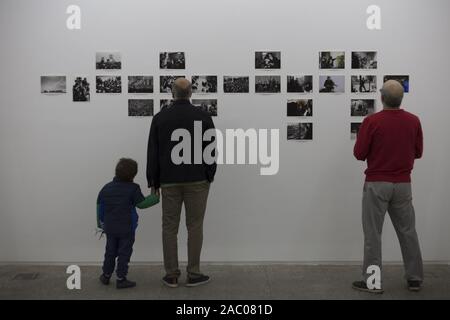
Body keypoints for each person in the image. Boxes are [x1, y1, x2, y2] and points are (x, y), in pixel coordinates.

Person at [352, 80, 424, 293]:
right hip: (403, 184)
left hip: (377, 184)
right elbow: (418, 152)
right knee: (408, 231)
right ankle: (415, 279)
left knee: (373, 234)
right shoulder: (414, 121)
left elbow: (359, 154)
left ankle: (372, 282)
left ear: (381, 97)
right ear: (401, 98)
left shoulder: (371, 121)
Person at [147, 78, 217, 288]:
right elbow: (211, 150)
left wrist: (153, 182)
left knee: (169, 227)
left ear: (172, 93)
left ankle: (171, 275)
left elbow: (153, 152)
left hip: (168, 181)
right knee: (195, 226)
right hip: (197, 180)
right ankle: (194, 273)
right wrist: (209, 175)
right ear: (191, 93)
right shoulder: (203, 116)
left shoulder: (160, 118)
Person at [97, 158, 160, 289]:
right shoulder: (133, 188)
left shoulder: (106, 188)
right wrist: (155, 198)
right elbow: (141, 204)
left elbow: (99, 206)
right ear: (133, 175)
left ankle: (106, 275)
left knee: (110, 251)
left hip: (110, 228)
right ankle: (121, 279)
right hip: (127, 229)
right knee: (124, 253)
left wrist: (100, 224)